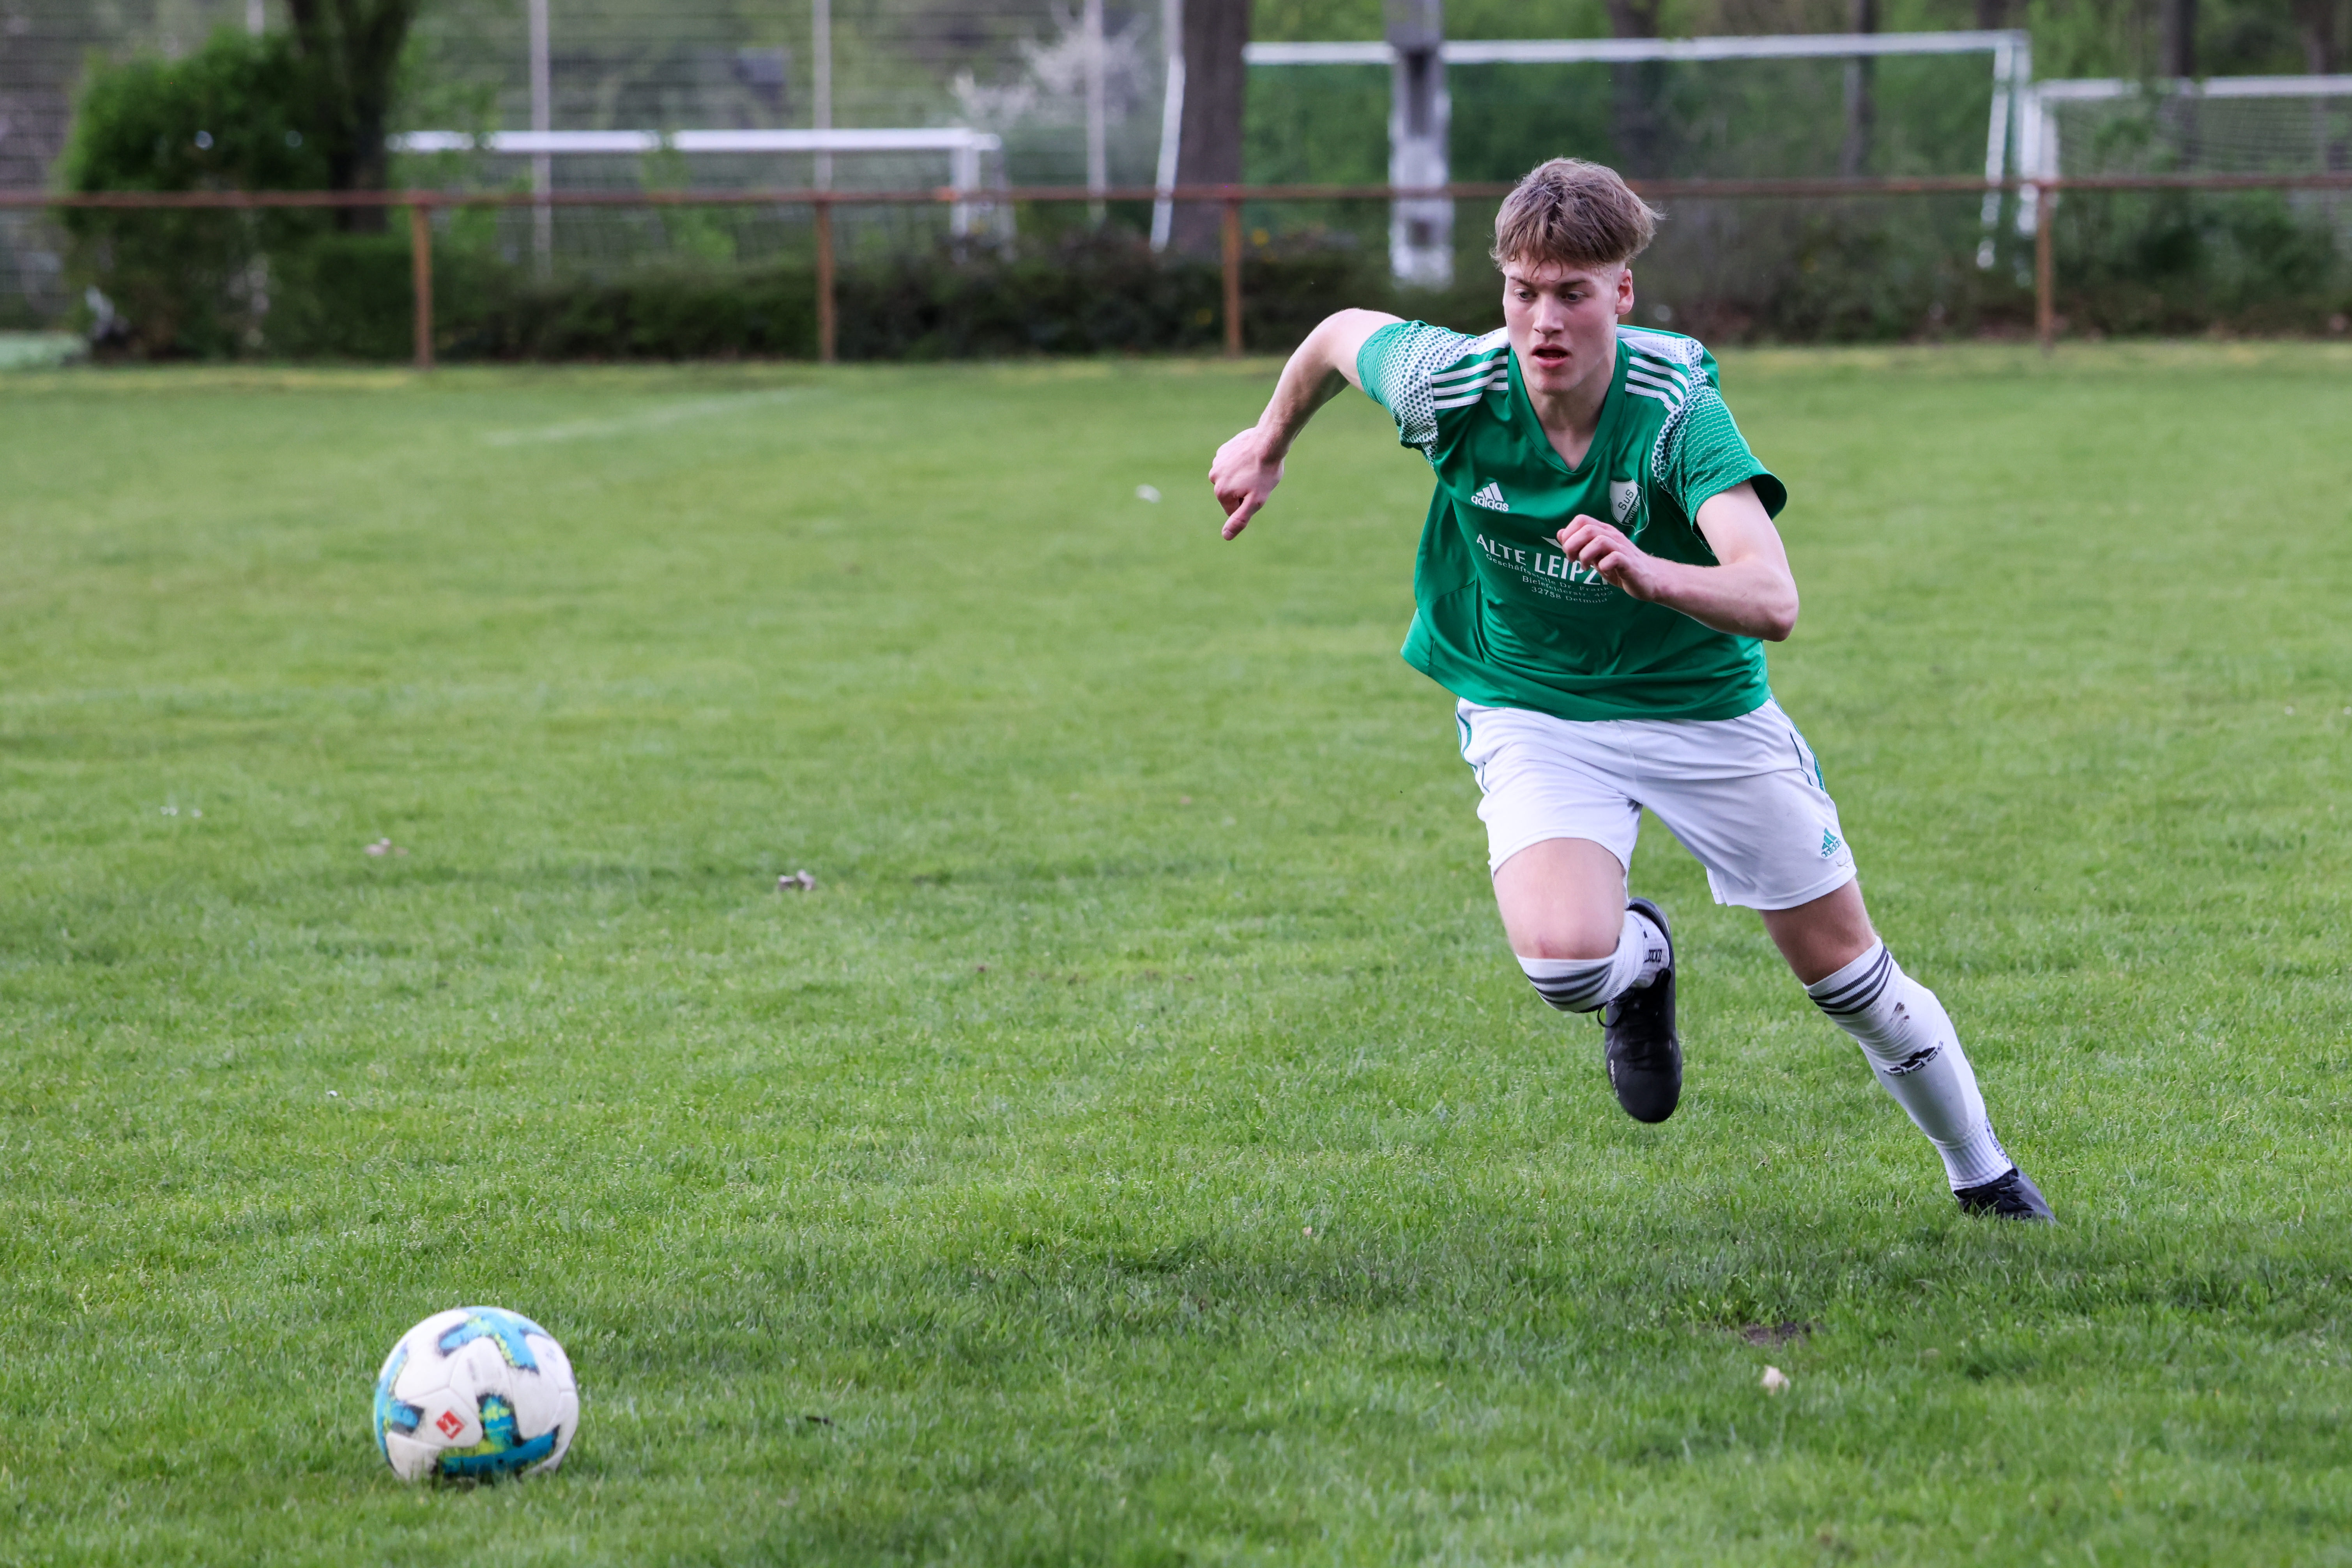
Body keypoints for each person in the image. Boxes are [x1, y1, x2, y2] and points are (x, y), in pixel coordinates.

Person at [1205, 158, 2051, 1221]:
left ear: (1622, 291)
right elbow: (1337, 335)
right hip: (1533, 704)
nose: (1543, 320)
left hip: (1700, 708)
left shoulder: (1674, 415)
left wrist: (1650, 573)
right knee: (1564, 967)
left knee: (1846, 978)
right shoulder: (1450, 384)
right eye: (1522, 290)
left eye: (1572, 292)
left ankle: (1983, 1174)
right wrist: (1268, 440)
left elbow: (1772, 597)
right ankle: (1640, 962)